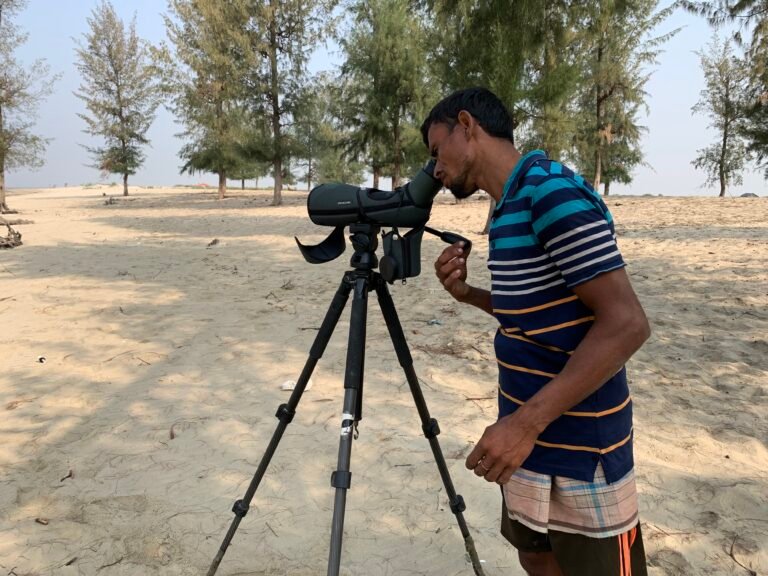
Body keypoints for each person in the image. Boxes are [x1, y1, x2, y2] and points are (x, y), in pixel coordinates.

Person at [421, 87, 651, 576]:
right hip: (526, 441)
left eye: (436, 151)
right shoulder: (506, 208)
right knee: (537, 560)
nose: (435, 171)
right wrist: (469, 295)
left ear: (468, 125)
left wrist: (523, 426)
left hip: (581, 450)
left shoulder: (550, 191)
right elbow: (535, 316)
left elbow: (627, 323)